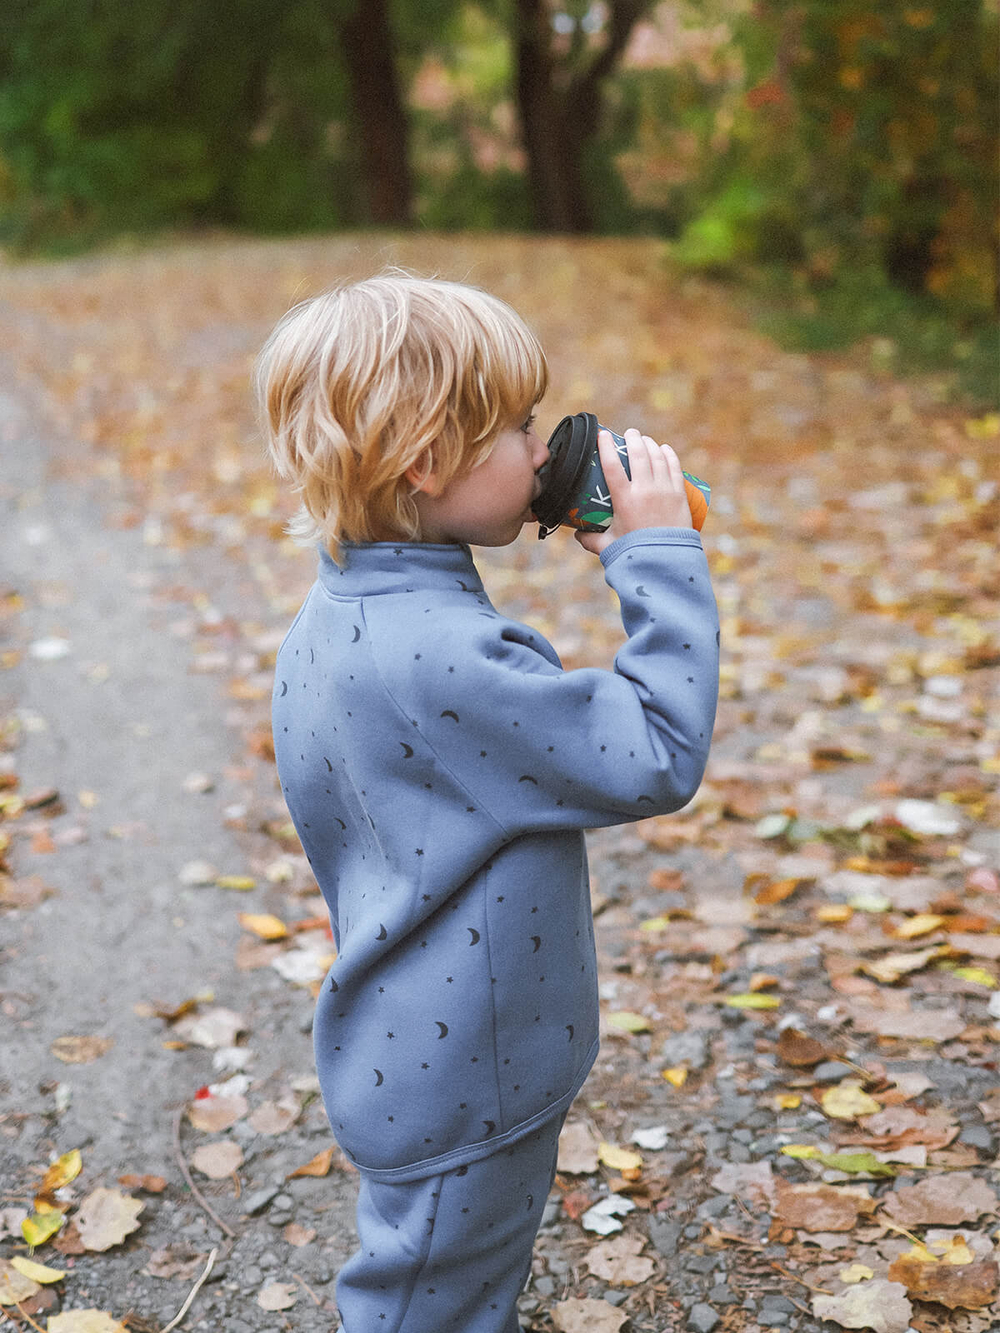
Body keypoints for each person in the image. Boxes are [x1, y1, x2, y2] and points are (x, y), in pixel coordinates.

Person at [255, 273, 719, 1333]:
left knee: (438, 1280)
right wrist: (657, 559)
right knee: (427, 1303)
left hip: (414, 1035)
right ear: (425, 460)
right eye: (514, 427)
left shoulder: (344, 610)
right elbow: (654, 751)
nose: (539, 444)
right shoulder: (442, 657)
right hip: (468, 1064)